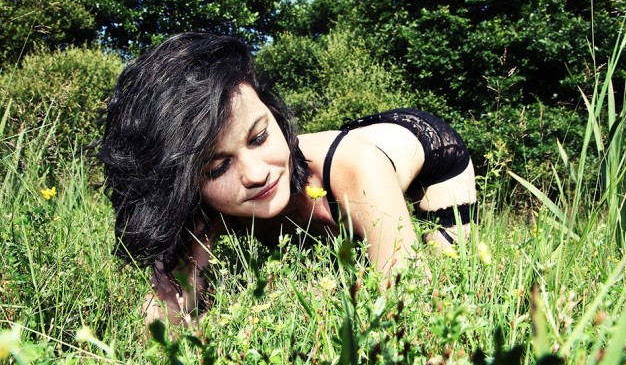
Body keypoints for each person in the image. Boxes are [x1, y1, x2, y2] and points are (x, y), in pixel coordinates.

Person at [99, 32, 478, 325]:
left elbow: (410, 304)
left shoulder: (356, 169)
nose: (256, 174)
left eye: (259, 137)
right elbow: (168, 317)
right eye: (218, 167)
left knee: (448, 270)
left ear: (274, 115)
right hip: (351, 157)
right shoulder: (199, 203)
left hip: (432, 154)